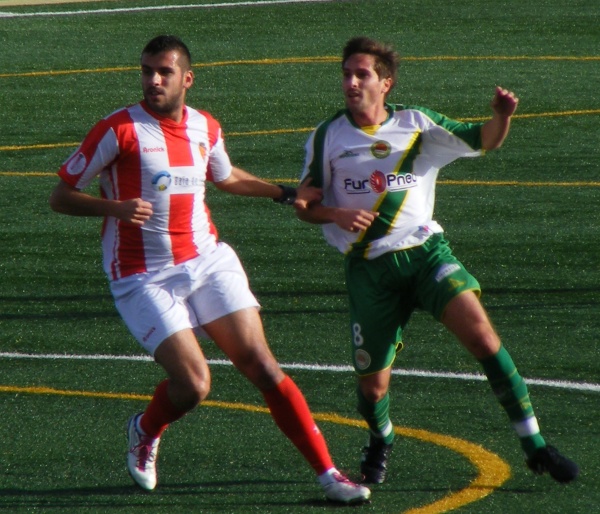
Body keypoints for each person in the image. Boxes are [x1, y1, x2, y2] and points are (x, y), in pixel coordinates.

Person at [48, 34, 371, 505]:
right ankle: (145, 428)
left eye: (164, 72)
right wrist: (114, 208)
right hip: (142, 276)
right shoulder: (118, 129)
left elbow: (227, 176)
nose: (153, 80)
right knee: (194, 384)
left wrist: (285, 193)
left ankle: (329, 474)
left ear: (187, 79)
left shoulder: (205, 127)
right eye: (147, 71)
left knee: (263, 366)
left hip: (207, 259)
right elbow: (60, 196)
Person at [296, 36, 579, 485]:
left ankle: (536, 447)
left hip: (426, 255)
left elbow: (484, 140)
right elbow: (305, 204)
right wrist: (334, 213)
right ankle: (381, 437)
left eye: (362, 74)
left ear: (385, 83)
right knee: (372, 390)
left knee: (483, 338)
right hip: (370, 271)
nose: (351, 82)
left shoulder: (416, 123)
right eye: (347, 74)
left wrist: (502, 116)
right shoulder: (327, 136)